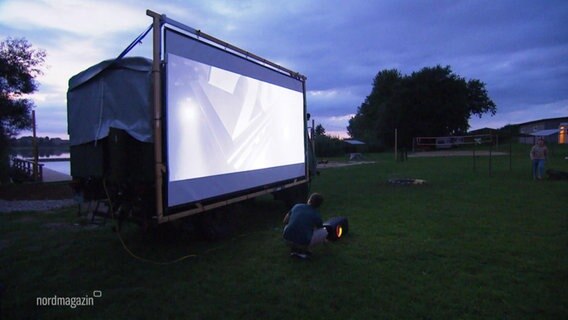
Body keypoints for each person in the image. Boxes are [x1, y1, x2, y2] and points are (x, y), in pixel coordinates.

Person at [282, 193, 328, 259]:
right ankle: (302, 252)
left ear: (309, 200)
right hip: (303, 242)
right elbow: (320, 228)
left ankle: (295, 250)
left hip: (286, 238)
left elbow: (285, 221)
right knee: (324, 231)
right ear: (319, 205)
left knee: (289, 226)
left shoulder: (297, 206)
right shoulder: (317, 215)